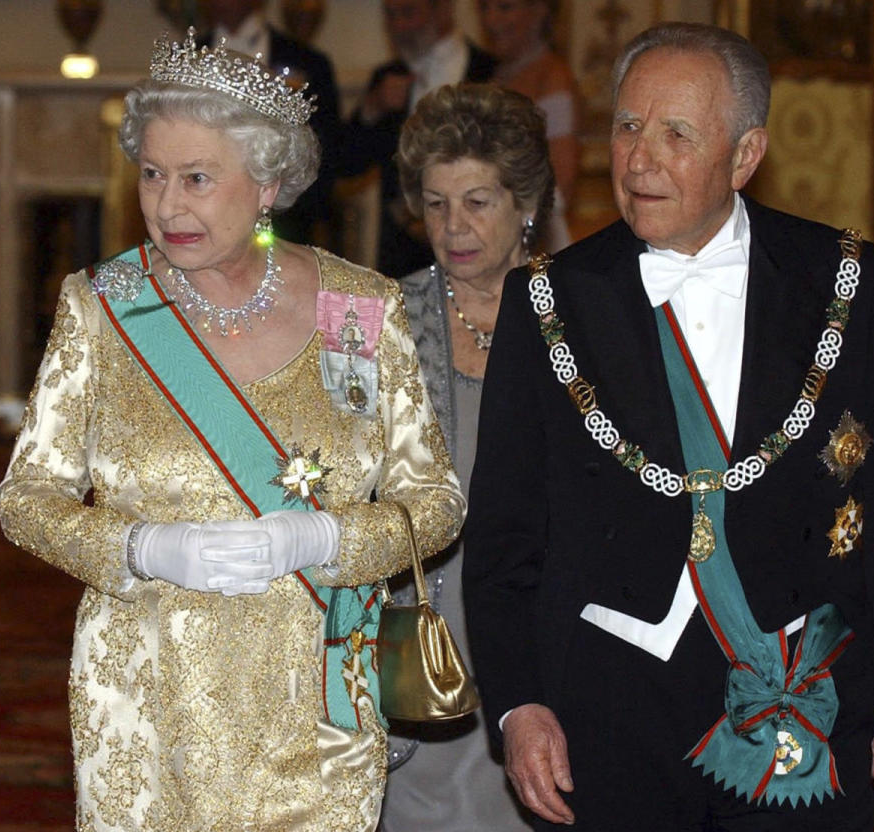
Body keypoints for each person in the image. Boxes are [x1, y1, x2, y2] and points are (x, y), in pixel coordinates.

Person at [463, 21, 874, 831]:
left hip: (801, 696)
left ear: (746, 155)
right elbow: (506, 533)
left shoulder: (849, 283)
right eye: (627, 126)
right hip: (608, 711)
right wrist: (517, 705)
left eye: (676, 133)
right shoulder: (548, 300)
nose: (638, 158)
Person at [0, 29, 464, 831]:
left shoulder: (355, 310)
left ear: (270, 183)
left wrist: (321, 540)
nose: (166, 204)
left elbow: (437, 504)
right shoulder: (104, 309)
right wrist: (142, 549)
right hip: (143, 705)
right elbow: (24, 498)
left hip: (320, 708)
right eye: (151, 173)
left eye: (197, 178)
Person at [380, 82, 554, 831]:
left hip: (541, 632)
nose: (453, 227)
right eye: (436, 201)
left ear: (527, 204)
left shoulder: (579, 318)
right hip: (420, 632)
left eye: (478, 201)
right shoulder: (376, 318)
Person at [340, 0, 496, 278]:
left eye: (408, 12)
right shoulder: (387, 77)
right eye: (391, 15)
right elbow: (345, 166)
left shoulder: (491, 73)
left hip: (476, 249)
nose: (399, 26)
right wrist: (372, 108)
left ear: (443, 10)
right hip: (402, 259)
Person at [202, 0, 341, 247]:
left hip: (287, 216)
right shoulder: (188, 54)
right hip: (204, 205)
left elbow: (327, 144)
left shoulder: (308, 61)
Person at [478, 0, 579, 252]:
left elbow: (561, 185)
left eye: (505, 7)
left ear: (540, 10)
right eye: (484, 7)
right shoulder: (492, 76)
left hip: (530, 243)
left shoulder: (552, 78)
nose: (491, 19)